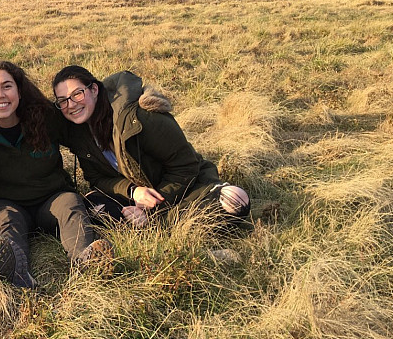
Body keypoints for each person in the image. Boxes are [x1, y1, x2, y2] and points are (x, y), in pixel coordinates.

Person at [0, 61, 111, 289]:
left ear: (19, 91)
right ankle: (15, 271)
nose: (0, 95)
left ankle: (85, 260)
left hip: (52, 199)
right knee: (7, 221)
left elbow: (84, 134)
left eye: (7, 86)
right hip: (4, 203)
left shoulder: (46, 117)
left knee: (71, 204)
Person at [51, 65, 250, 229]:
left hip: (183, 188)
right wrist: (132, 192)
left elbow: (185, 167)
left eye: (77, 94)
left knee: (236, 201)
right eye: (63, 101)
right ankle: (164, 225)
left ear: (94, 90)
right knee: (91, 207)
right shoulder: (78, 132)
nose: (71, 105)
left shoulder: (141, 119)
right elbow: (97, 179)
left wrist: (151, 209)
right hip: (136, 197)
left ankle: (156, 223)